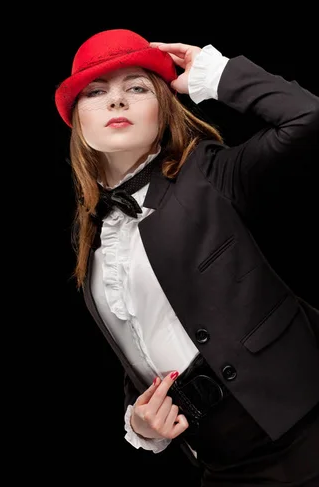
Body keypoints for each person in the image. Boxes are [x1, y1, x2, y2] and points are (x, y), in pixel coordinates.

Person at [53, 28, 319, 485]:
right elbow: (141, 340)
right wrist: (139, 423)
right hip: (219, 461)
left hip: (304, 430)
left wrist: (215, 75)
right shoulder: (90, 231)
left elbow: (307, 116)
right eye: (96, 93)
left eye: (136, 88)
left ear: (164, 108)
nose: (116, 102)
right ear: (78, 121)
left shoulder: (211, 173)